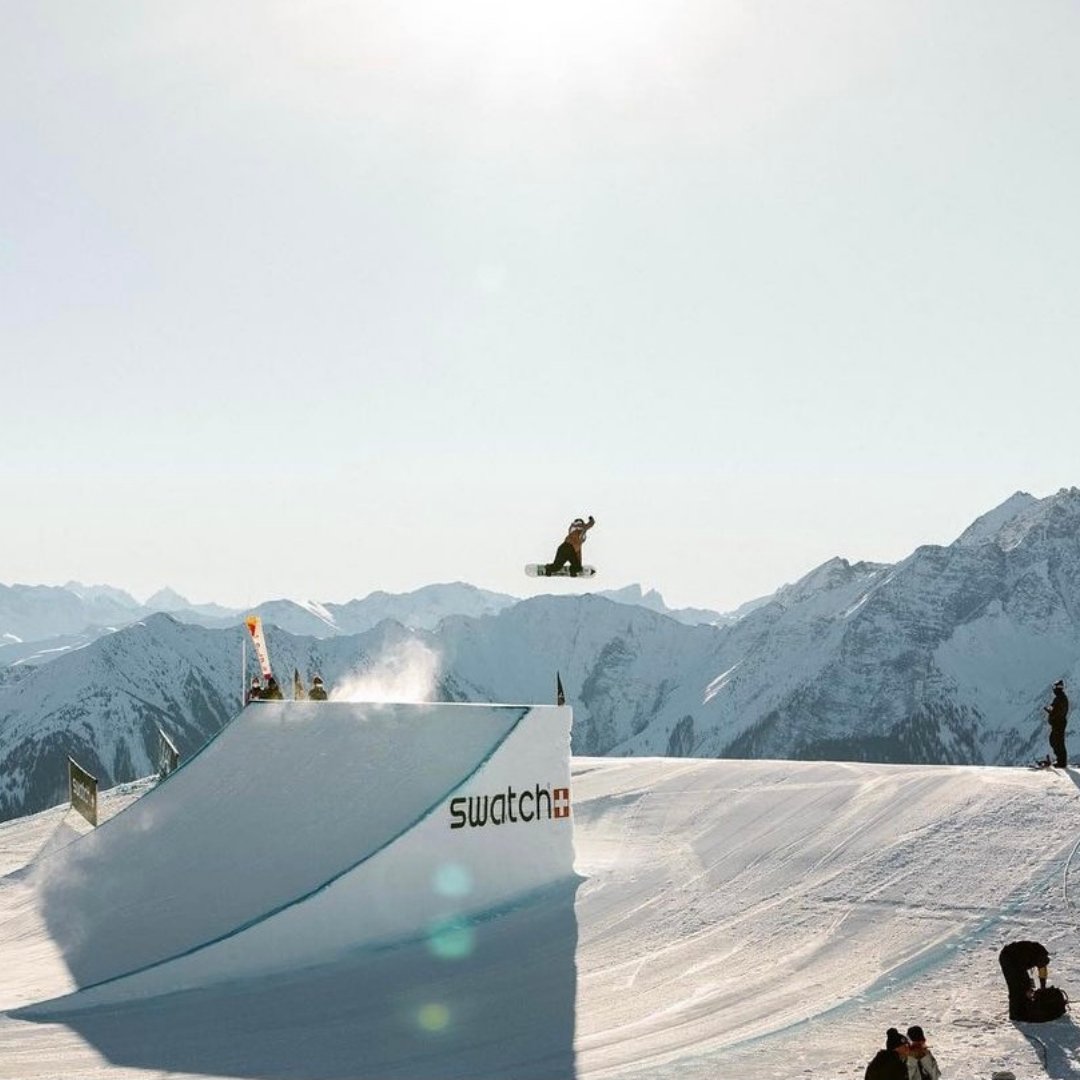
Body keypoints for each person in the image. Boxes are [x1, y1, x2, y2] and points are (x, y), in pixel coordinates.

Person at [999, 940, 1050, 1020]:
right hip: (1008, 959)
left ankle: (1024, 1009)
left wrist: (1042, 988)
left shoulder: (1041, 956)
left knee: (1024, 986)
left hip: (1017, 959)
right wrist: (1027, 986)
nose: (1039, 967)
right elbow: (1020, 975)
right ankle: (1015, 1014)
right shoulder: (1031, 954)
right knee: (1015, 987)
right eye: (1039, 965)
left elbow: (1042, 975)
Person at [1044, 679, 1069, 768]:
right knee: (1054, 741)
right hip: (1058, 723)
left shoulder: (1061, 698)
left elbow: (1058, 711)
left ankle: (1062, 762)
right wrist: (1050, 710)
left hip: (1059, 723)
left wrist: (1051, 712)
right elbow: (1055, 708)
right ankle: (1060, 760)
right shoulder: (1059, 698)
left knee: (1058, 742)